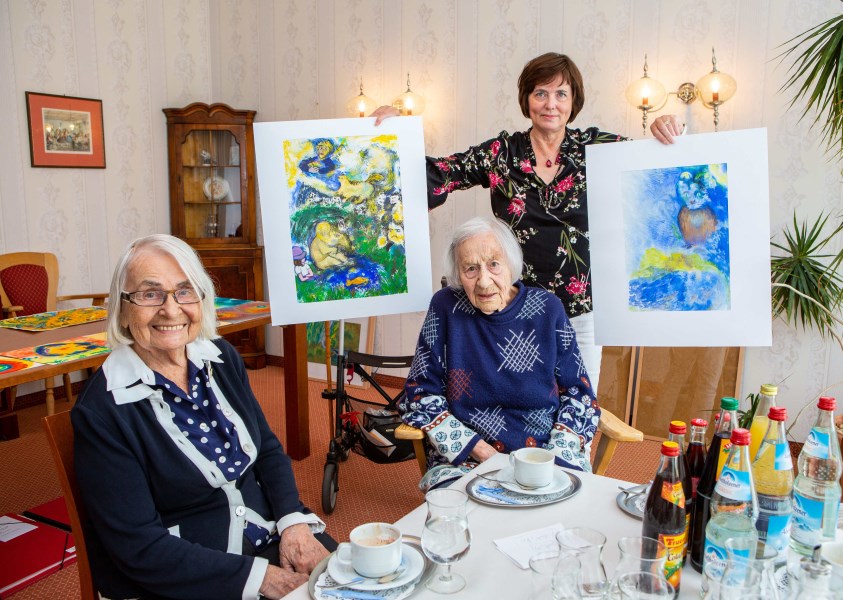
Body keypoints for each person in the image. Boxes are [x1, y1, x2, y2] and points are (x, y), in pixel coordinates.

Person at [374, 52, 685, 392]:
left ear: (573, 101)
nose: (551, 104)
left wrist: (669, 128)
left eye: (561, 94)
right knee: (520, 405)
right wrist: (394, 134)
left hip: (582, 313)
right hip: (515, 309)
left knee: (579, 404)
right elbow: (437, 174)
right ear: (527, 100)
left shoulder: (595, 148)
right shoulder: (501, 153)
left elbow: (656, 167)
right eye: (540, 93)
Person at [72, 234, 334, 600]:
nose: (171, 309)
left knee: (366, 583)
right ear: (123, 307)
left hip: (272, 533)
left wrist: (293, 523)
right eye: (150, 294)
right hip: (190, 573)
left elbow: (269, 450)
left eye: (184, 291)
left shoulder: (221, 358)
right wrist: (263, 578)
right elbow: (141, 548)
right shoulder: (102, 412)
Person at [399, 216, 599, 491]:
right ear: (458, 275)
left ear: (511, 264)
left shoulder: (548, 310)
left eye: (494, 264)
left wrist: (549, 459)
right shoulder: (446, 308)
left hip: (544, 454)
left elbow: (580, 394)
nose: (483, 281)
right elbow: (419, 392)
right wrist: (478, 450)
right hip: (466, 459)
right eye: (470, 269)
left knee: (565, 513)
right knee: (462, 513)